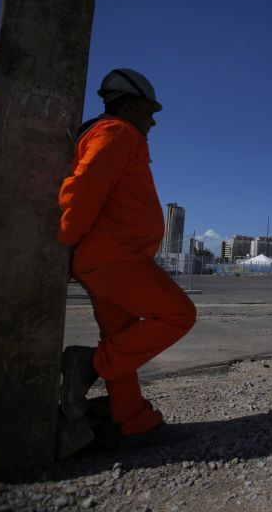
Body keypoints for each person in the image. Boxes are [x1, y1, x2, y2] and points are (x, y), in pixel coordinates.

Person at [58, 69, 196, 445]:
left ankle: (134, 423)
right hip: (116, 259)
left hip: (108, 259)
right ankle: (88, 365)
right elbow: (85, 186)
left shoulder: (116, 135)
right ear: (131, 104)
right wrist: (66, 240)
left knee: (120, 340)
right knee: (179, 315)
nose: (153, 120)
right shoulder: (118, 133)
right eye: (150, 110)